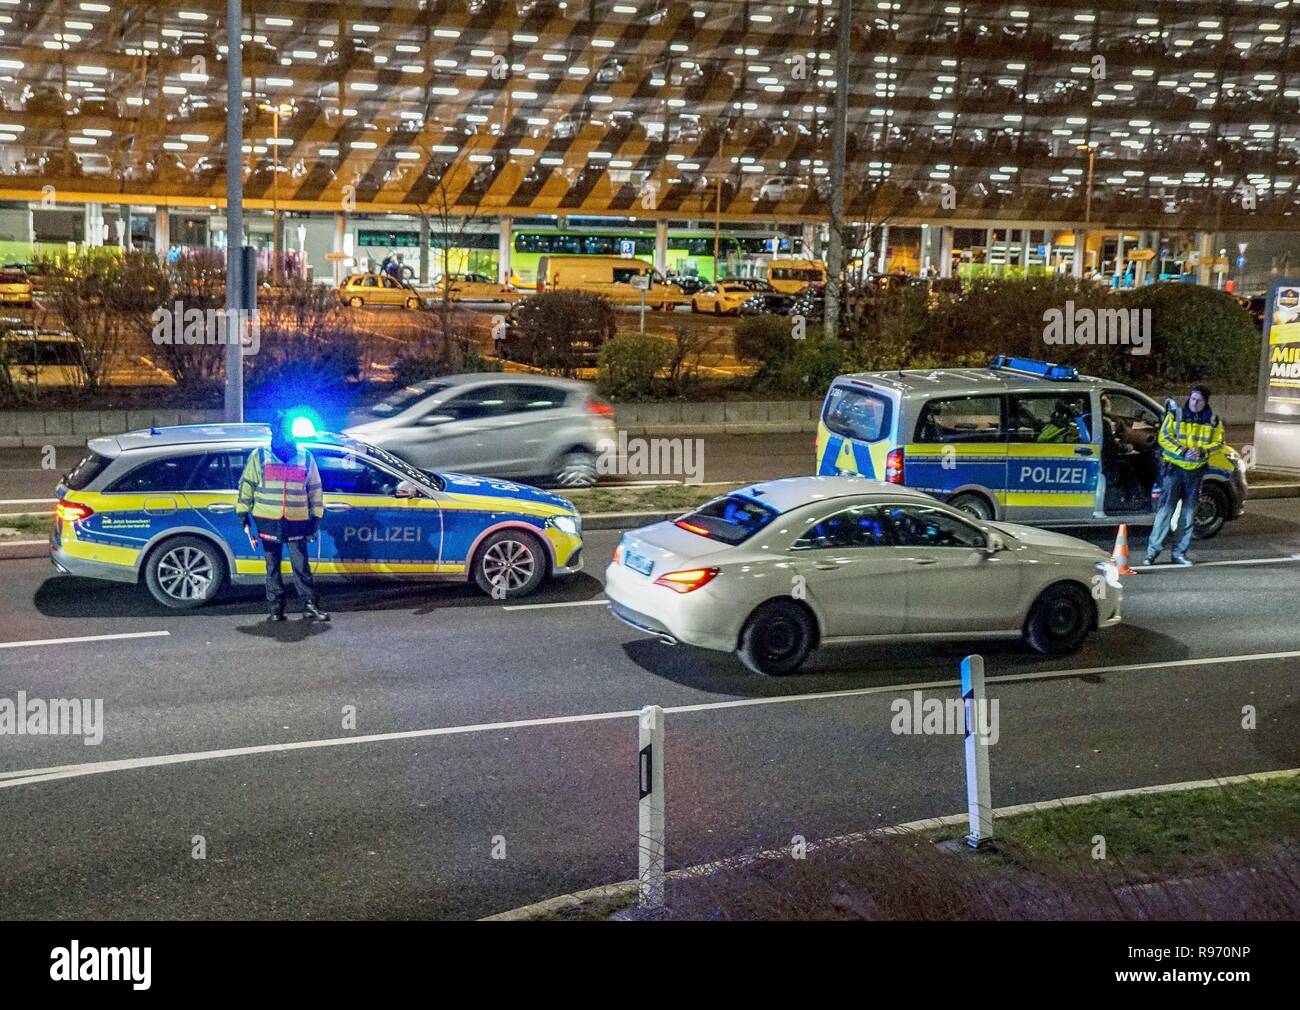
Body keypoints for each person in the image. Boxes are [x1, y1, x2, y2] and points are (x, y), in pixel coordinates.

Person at [236, 412, 329, 621]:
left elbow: (314, 489)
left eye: (289, 430)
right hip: (268, 520)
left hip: (297, 521)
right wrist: (242, 513)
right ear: (274, 431)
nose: (287, 435)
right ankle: (276, 609)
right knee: (272, 567)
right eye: (283, 430)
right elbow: (247, 486)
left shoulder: (305, 457)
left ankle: (309, 605)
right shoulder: (260, 456)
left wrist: (316, 517)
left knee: (301, 566)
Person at [1145, 385, 1224, 566]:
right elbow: (1164, 437)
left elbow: (1219, 443)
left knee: (1188, 516)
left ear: (1206, 402)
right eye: (1193, 399)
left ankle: (1179, 553)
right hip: (1175, 470)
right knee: (1164, 513)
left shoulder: (1213, 420)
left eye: (1199, 400)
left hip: (1195, 473)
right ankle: (1152, 553)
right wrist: (1183, 451)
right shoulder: (1176, 415)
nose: (1195, 403)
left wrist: (1203, 451)